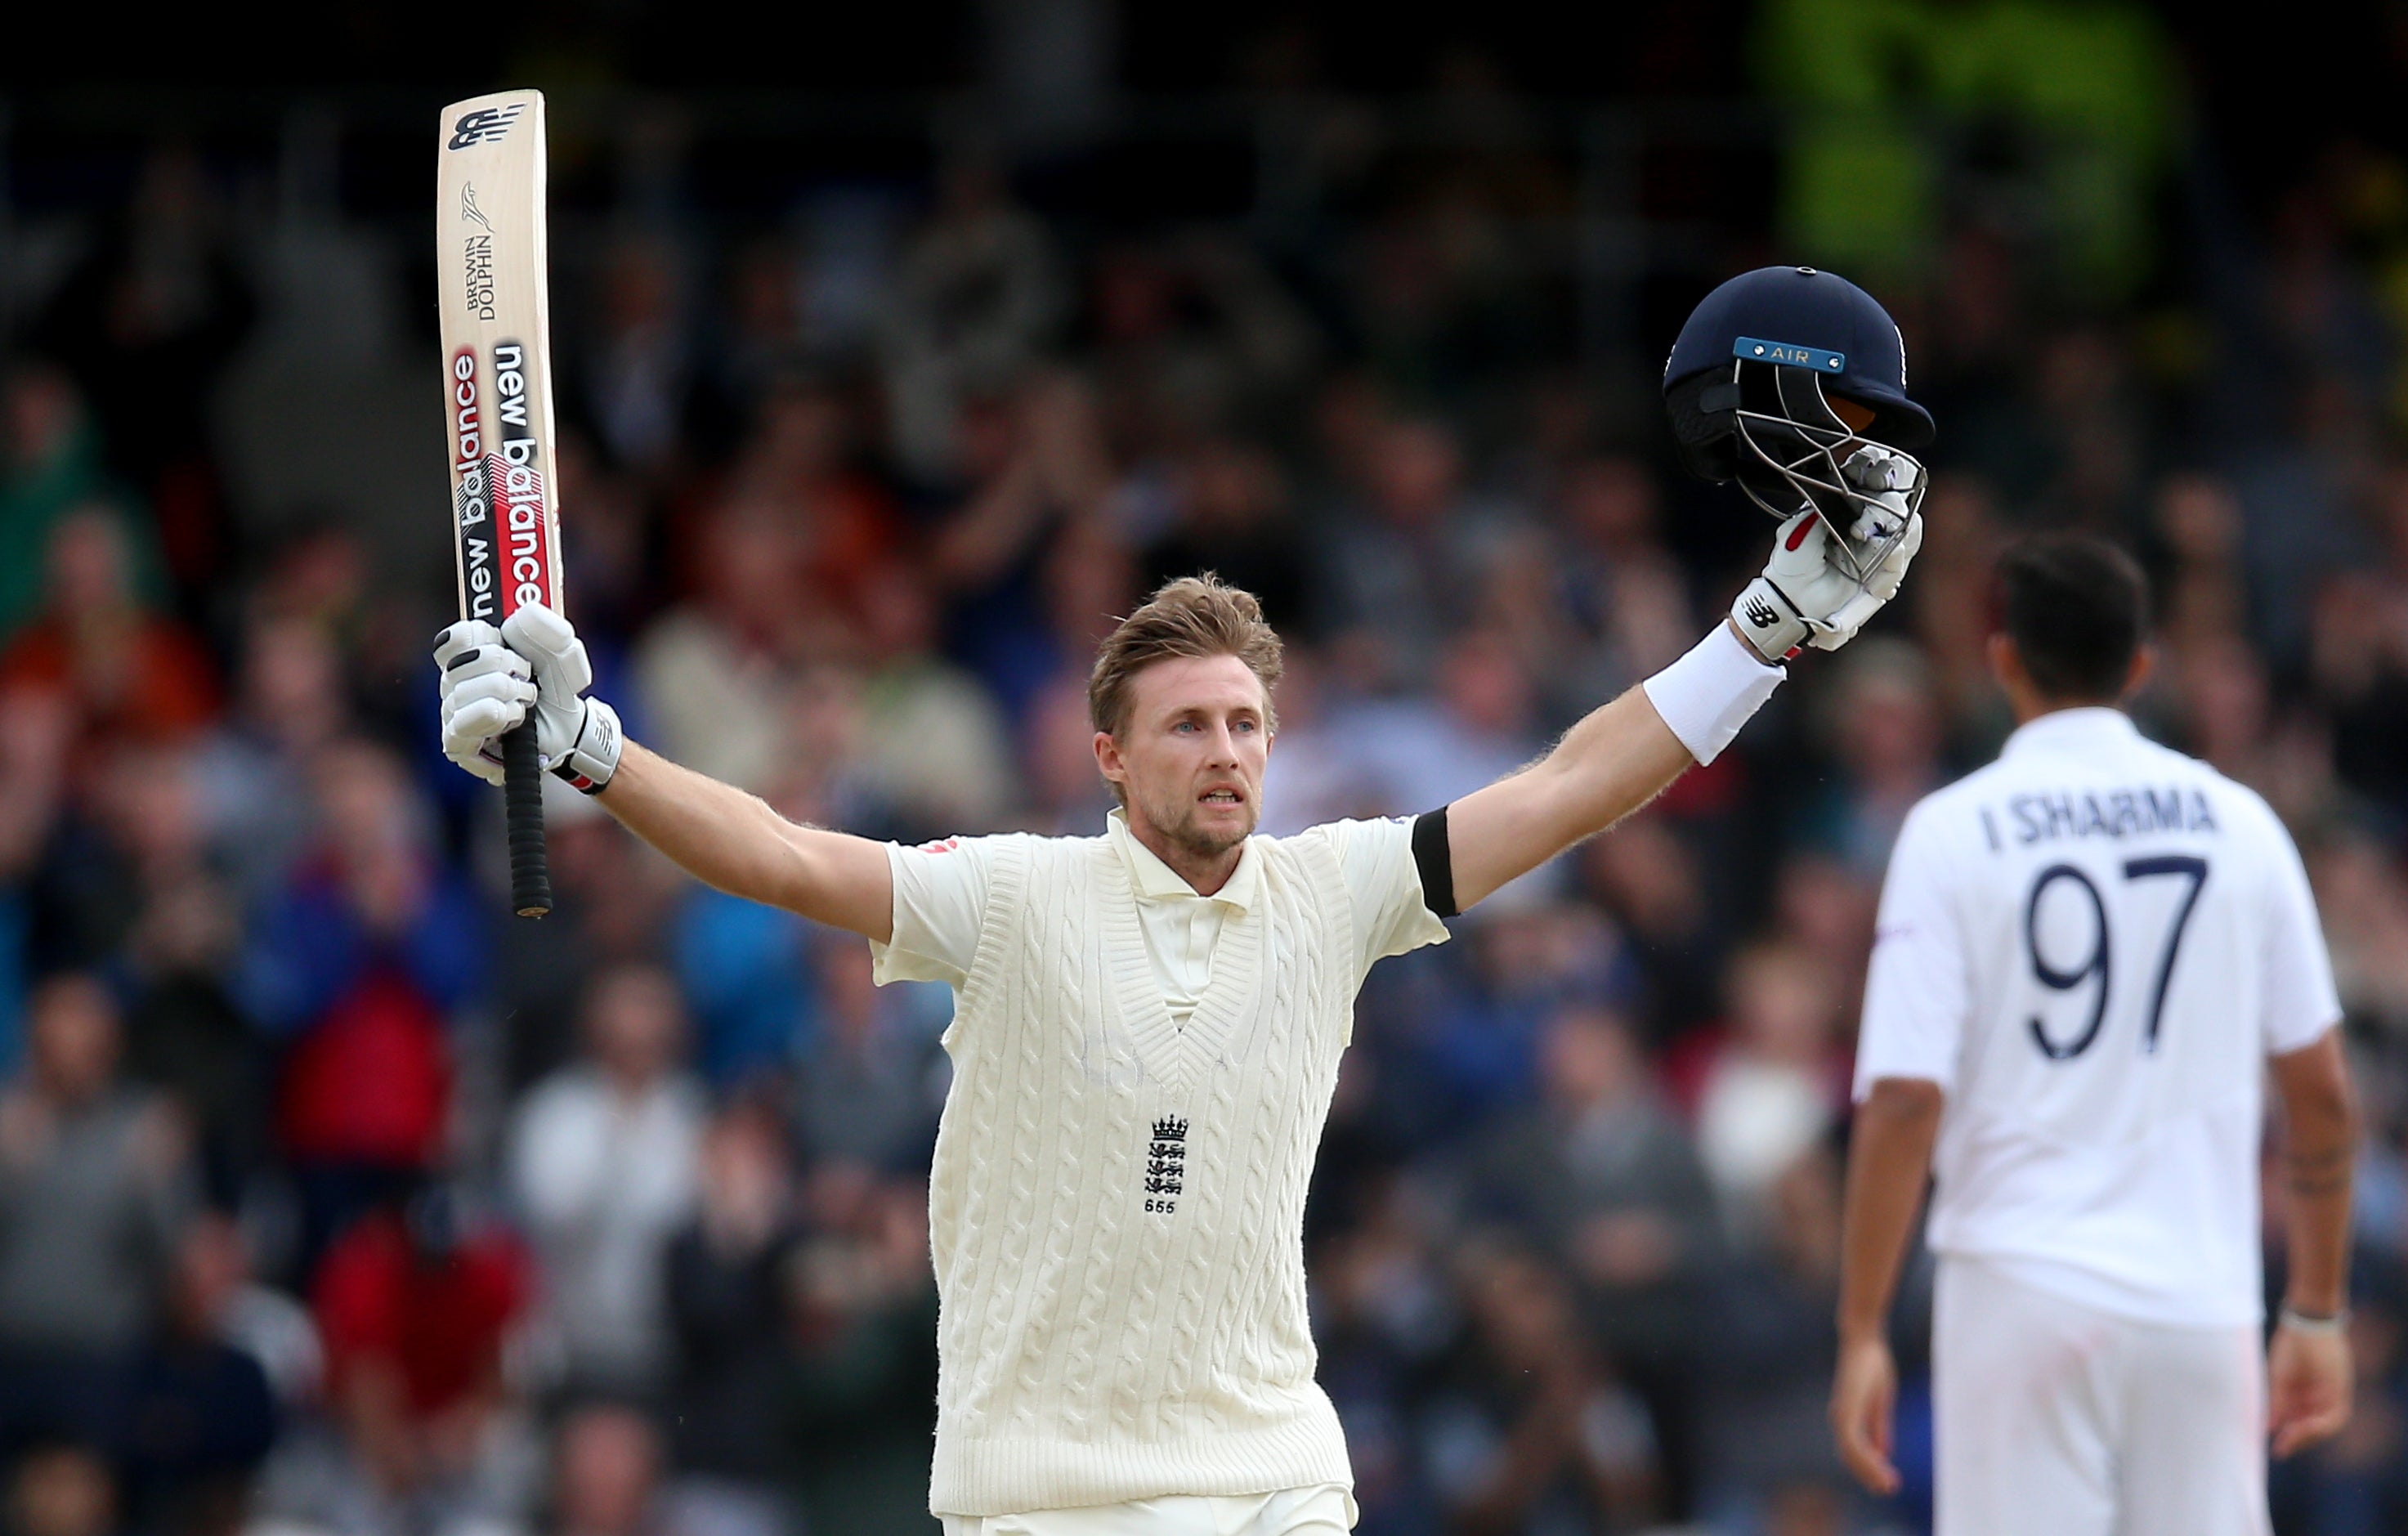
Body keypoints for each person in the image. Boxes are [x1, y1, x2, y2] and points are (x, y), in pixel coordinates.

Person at [433, 266, 1929, 1534]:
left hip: (1270, 1475)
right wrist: (589, 747)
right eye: (1186, 725)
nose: (1225, 753)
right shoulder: (1012, 896)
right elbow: (780, 851)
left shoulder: (1333, 888)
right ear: (1106, 753)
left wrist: (1766, 630)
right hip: (1044, 1490)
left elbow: (1572, 779)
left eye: (1245, 724)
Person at [1828, 532, 2361, 1535]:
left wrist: (1863, 1328)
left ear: (2002, 662)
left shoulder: (1953, 829)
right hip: (2200, 1298)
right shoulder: (2240, 824)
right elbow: (2324, 1095)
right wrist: (2317, 1310)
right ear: (2142, 667)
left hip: (2019, 1283)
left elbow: (1902, 1096)